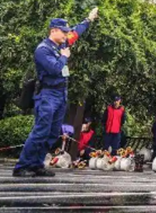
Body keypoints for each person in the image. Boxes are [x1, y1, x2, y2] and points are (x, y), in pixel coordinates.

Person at [13, 10, 98, 177]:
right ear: (53, 31)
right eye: (63, 32)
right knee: (41, 131)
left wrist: (89, 19)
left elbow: (76, 32)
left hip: (60, 94)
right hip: (48, 94)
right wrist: (64, 57)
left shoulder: (62, 44)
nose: (66, 35)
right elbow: (54, 69)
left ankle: (37, 164)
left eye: (66, 32)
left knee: (52, 133)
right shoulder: (43, 50)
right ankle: (22, 165)